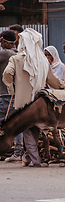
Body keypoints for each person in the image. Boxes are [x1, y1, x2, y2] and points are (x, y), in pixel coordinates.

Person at [2, 28, 65, 167]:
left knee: (27, 131)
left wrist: (11, 89)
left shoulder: (16, 59)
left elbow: (7, 74)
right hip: (40, 103)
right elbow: (53, 80)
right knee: (35, 130)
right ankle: (27, 158)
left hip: (22, 101)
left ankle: (35, 160)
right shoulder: (43, 60)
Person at [0, 31, 22, 161]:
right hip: (16, 95)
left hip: (4, 94)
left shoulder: (4, 54)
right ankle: (18, 152)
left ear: (7, 42)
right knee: (17, 124)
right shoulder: (18, 54)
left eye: (2, 41)